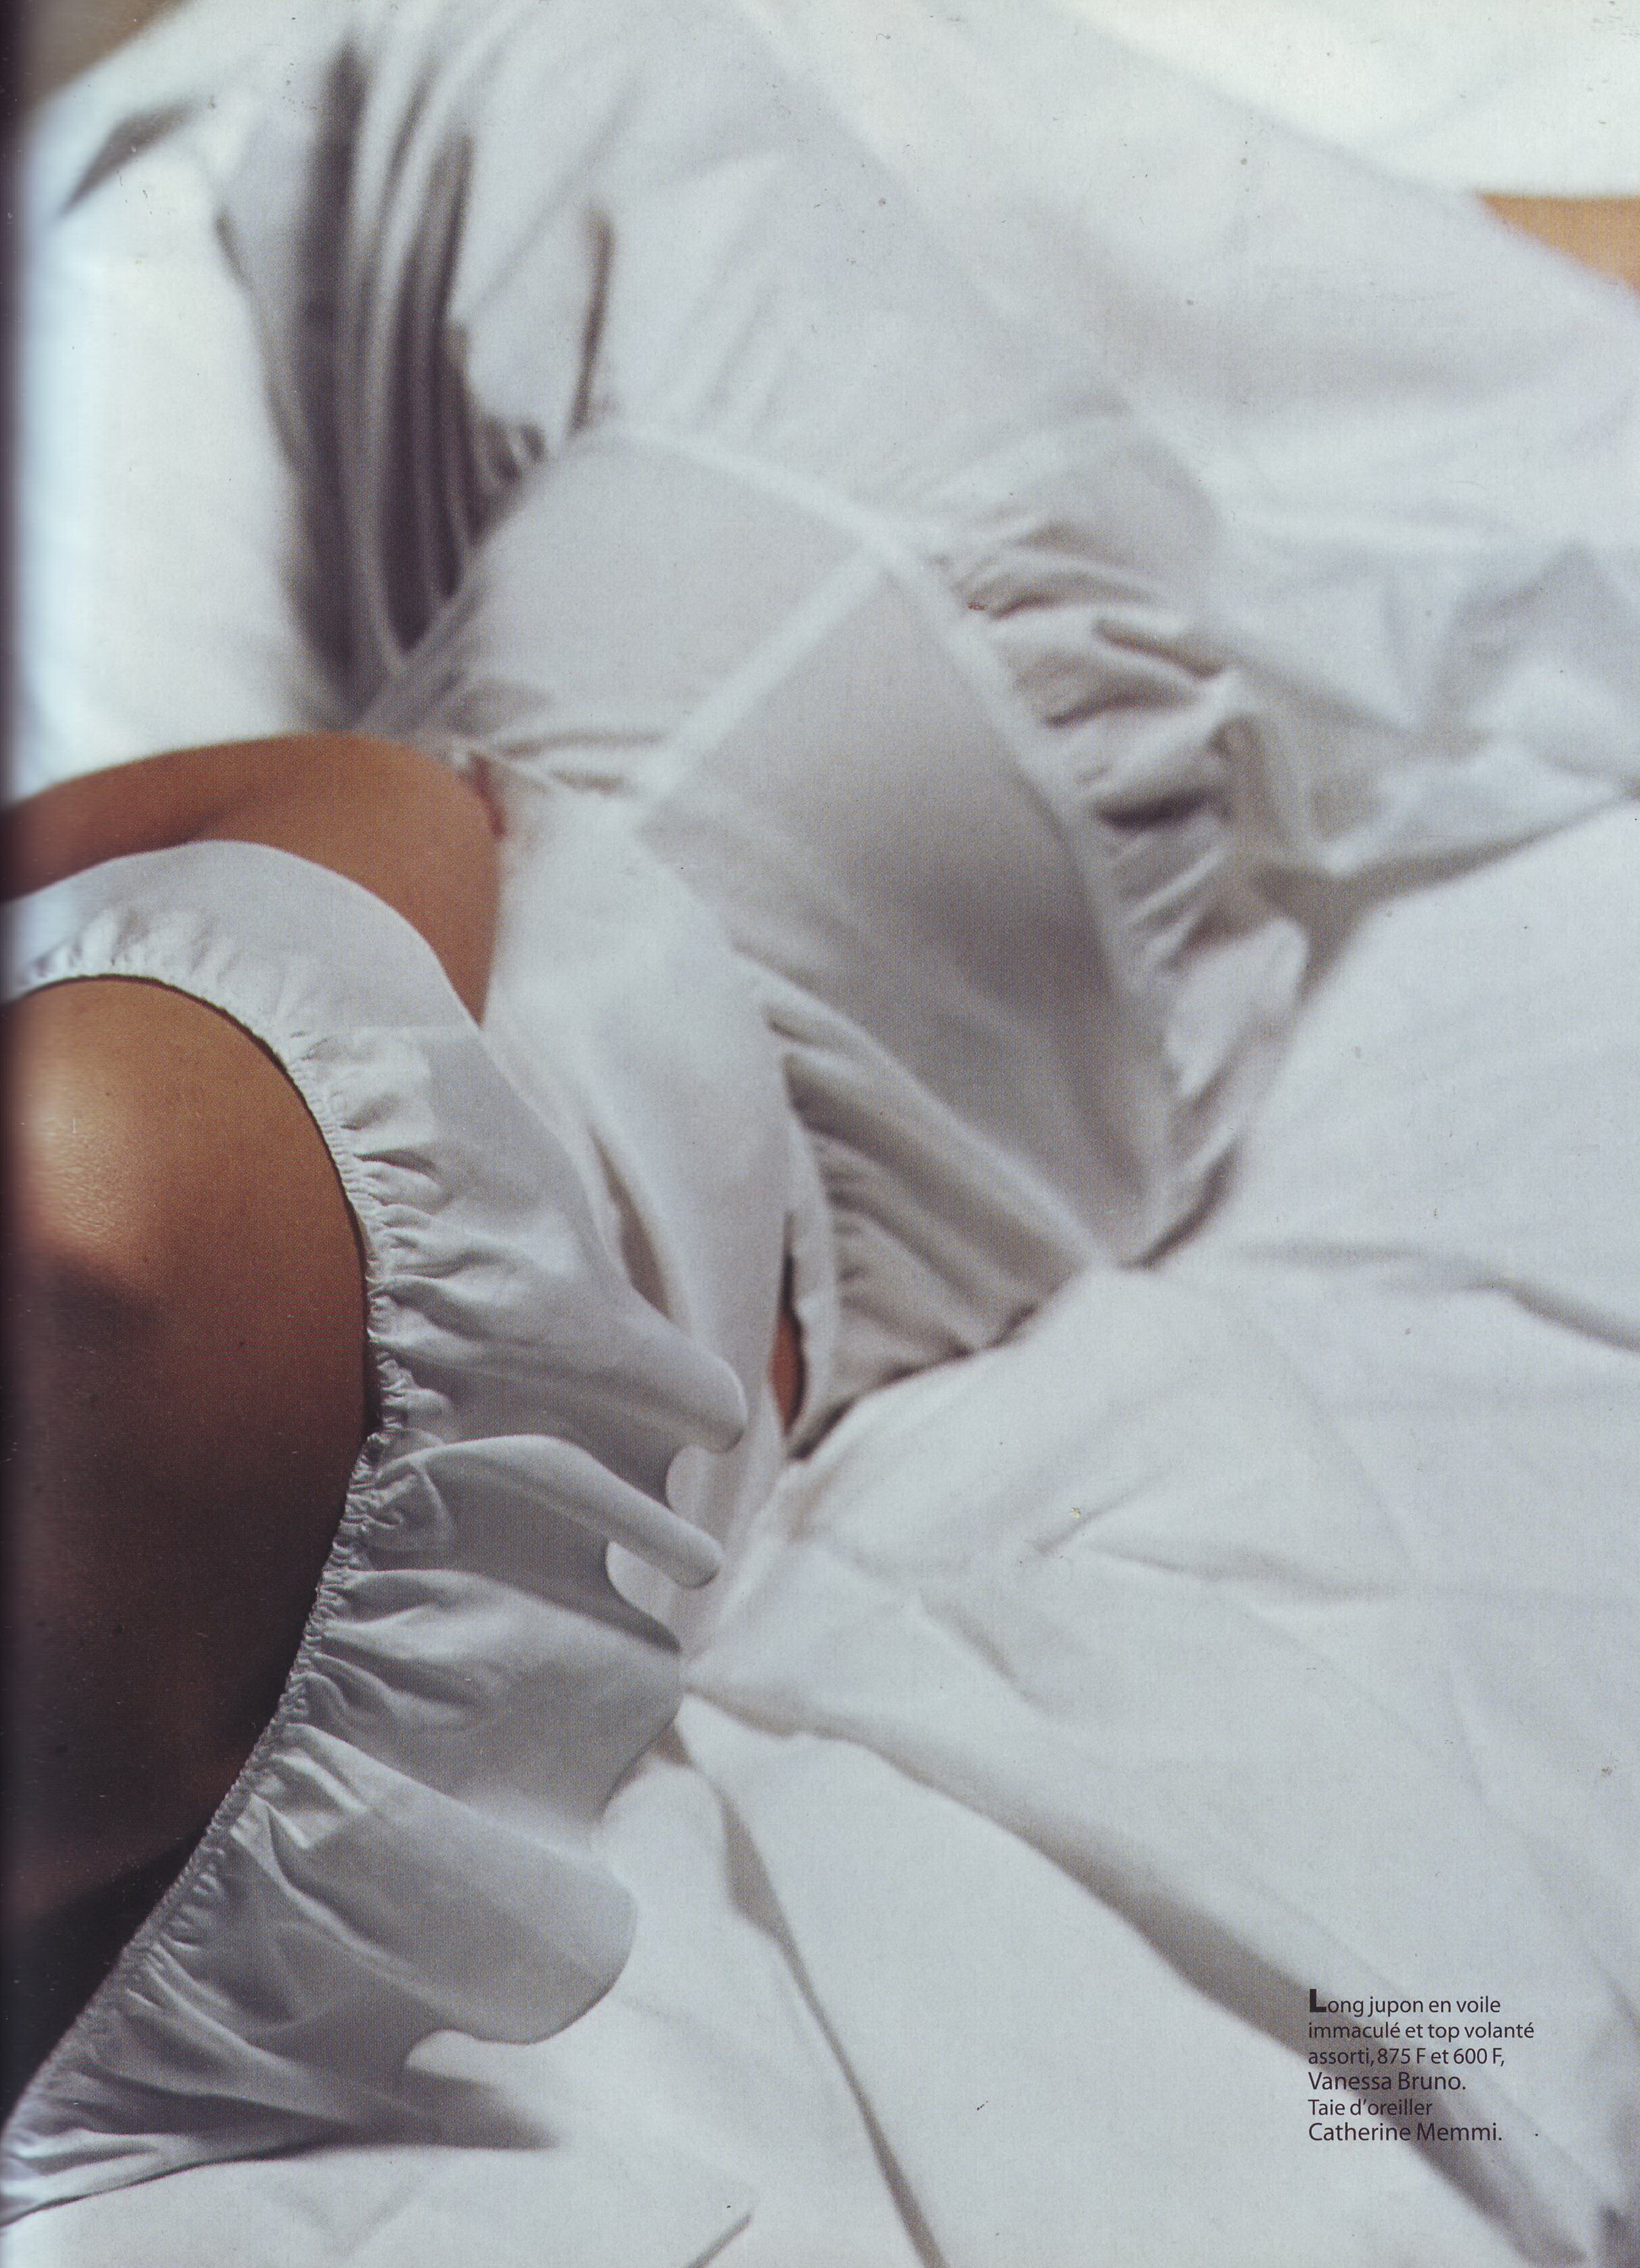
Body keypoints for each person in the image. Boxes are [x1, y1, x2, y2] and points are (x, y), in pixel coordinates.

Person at [7, 0, 1635, 2224]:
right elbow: (390, 806)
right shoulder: (82, 1208)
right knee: (492, 34)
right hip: (892, 754)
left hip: (910, 1235)